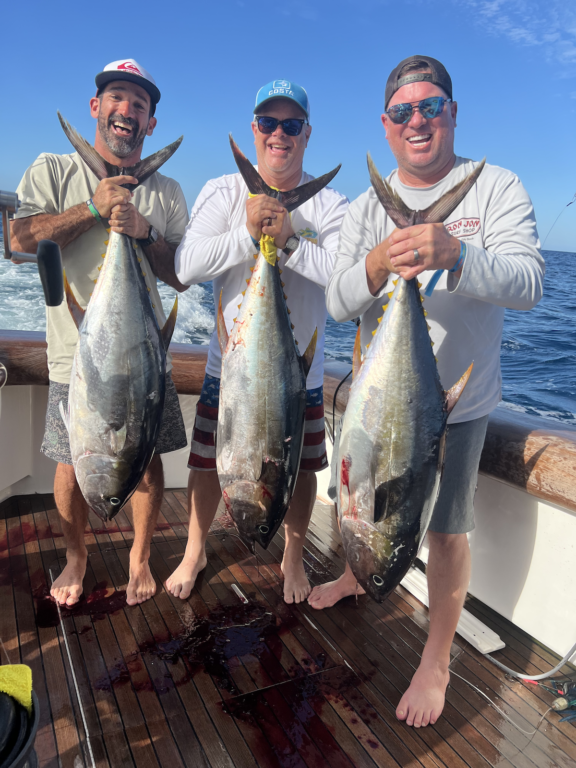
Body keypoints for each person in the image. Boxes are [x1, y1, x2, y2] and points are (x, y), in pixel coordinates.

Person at [309, 56, 544, 728]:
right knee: (359, 501)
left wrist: (459, 255)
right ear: (387, 126)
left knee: (444, 530)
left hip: (457, 408)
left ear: (453, 112)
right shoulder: (364, 207)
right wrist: (379, 265)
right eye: (404, 111)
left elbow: (529, 284)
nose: (418, 119)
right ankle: (358, 572)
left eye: (431, 106)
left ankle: (436, 659)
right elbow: (337, 301)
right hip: (375, 402)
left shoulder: (495, 187)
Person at [11, 59, 189, 607]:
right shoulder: (53, 168)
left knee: (147, 459)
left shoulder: (168, 190)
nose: (126, 111)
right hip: (77, 350)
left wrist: (145, 229)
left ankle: (139, 557)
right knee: (71, 460)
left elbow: (180, 271)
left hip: (143, 354)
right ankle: (76, 556)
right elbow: (19, 240)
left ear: (151, 124)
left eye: (139, 105)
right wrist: (95, 207)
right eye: (117, 98)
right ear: (96, 107)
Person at [168, 80, 349, 604]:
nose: (279, 134)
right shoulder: (224, 191)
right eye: (268, 123)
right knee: (207, 461)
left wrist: (290, 239)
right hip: (232, 367)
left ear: (306, 135)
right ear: (254, 130)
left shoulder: (332, 205)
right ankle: (196, 548)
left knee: (301, 469)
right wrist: (247, 235)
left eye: (291, 125)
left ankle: (292, 557)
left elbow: (345, 283)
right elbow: (185, 266)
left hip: (300, 378)